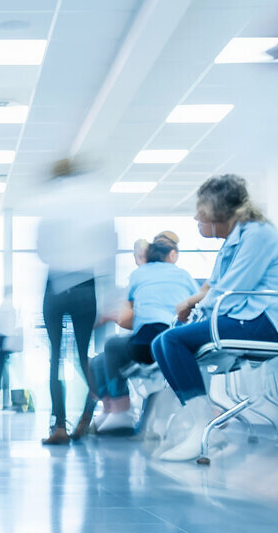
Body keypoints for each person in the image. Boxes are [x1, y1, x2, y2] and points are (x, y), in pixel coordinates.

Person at [151, 174, 278, 462]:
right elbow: (212, 286)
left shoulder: (258, 236)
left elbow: (230, 288)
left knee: (173, 340)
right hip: (246, 316)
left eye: (202, 213)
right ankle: (202, 422)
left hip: (264, 323)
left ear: (221, 214)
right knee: (161, 342)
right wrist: (193, 305)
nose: (196, 217)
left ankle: (204, 424)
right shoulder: (236, 238)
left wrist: (199, 310)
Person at [35, 158, 116, 445]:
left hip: (56, 284)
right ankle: (92, 413)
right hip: (86, 285)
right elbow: (109, 249)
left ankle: (58, 426)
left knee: (55, 357)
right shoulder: (97, 201)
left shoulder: (51, 203)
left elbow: (42, 250)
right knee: (84, 356)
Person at [93, 233, 198, 435]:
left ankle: (120, 411)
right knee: (105, 357)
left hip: (145, 346)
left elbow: (127, 315)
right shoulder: (183, 275)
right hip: (175, 343)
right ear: (173, 255)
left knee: (112, 346)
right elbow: (195, 304)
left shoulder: (138, 275)